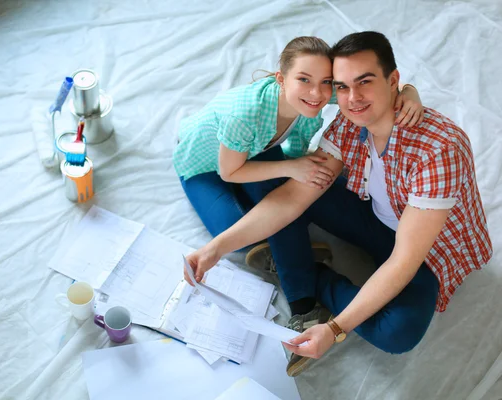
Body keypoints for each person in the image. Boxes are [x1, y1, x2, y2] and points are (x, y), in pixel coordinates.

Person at [183, 31, 492, 377]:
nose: (353, 98)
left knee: (397, 333)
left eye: (365, 82)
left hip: (426, 252)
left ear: (393, 80)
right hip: (373, 215)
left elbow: (404, 259)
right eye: (342, 87)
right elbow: (291, 199)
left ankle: (312, 278)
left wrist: (336, 329)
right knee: (290, 176)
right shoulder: (348, 121)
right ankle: (294, 267)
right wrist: (215, 249)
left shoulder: (440, 151)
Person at [174, 36, 423, 320]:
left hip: (255, 150)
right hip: (204, 166)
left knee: (284, 199)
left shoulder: (321, 92)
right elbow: (230, 171)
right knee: (240, 239)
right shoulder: (244, 115)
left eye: (326, 82)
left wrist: (410, 93)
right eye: (303, 80)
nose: (317, 94)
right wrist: (290, 167)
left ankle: (299, 285)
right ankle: (294, 263)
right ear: (281, 78)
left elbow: (382, 86)